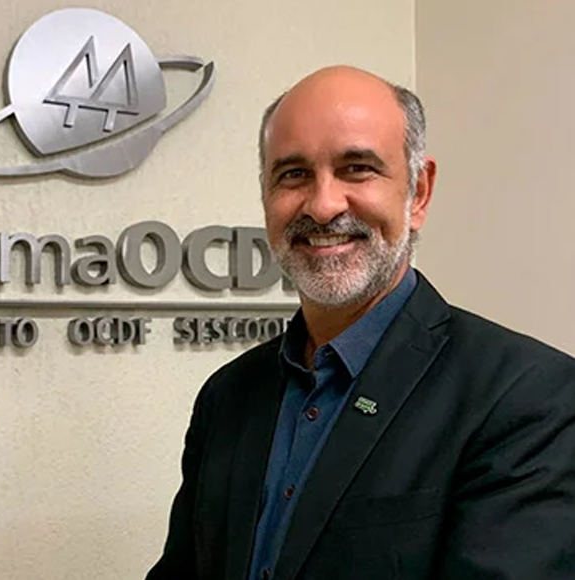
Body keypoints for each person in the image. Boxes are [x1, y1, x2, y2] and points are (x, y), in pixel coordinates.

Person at [145, 66, 575, 580]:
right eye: (293, 174)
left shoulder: (527, 399)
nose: (323, 205)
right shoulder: (228, 396)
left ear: (418, 193)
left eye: (357, 169)